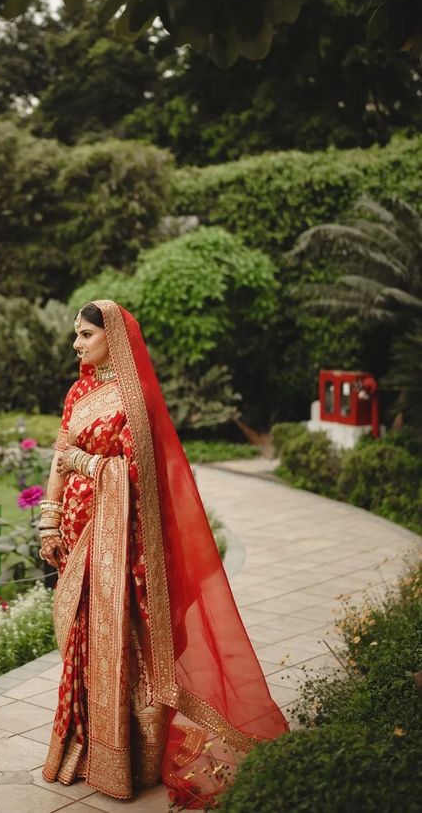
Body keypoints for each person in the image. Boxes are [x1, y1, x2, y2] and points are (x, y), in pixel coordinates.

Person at [39, 300, 289, 809]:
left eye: (86, 335)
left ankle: (132, 760)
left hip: (122, 545)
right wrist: (48, 519)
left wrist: (86, 462)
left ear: (113, 337)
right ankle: (85, 750)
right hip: (77, 534)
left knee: (128, 648)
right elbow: (58, 460)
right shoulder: (78, 391)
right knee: (83, 641)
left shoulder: (135, 402)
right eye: (76, 335)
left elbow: (137, 478)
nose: (76, 344)